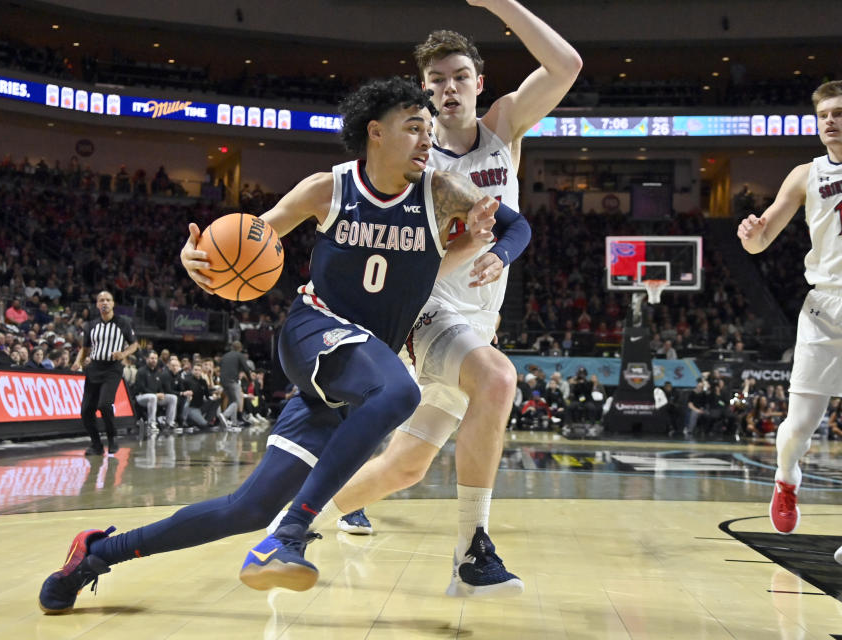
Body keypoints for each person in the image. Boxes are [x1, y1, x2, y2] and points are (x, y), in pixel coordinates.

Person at [38, 76, 505, 612]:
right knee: (400, 393)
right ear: (376, 133)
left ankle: (96, 553)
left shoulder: (438, 193)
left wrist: (486, 234)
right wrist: (197, 260)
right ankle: (293, 535)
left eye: (429, 128)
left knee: (247, 508)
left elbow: (511, 228)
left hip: (356, 368)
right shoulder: (329, 187)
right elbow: (252, 236)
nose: (428, 138)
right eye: (414, 126)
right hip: (314, 330)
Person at [326, 0, 578, 597]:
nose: (449, 87)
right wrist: (469, 250)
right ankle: (472, 556)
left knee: (406, 467)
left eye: (461, 76)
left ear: (479, 84)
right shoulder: (413, 157)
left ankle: (304, 510)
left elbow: (565, 65)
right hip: (424, 312)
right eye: (436, 80)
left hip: (476, 321)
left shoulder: (504, 127)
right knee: (496, 379)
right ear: (424, 92)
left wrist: (501, 5)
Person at [736, 80, 842, 562]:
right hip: (823, 311)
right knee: (798, 428)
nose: (831, 122)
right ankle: (786, 478)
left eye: (838, 113)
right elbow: (761, 242)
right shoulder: (806, 174)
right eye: (824, 115)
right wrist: (752, 235)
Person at [72, 291, 138, 456]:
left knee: (104, 405)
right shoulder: (91, 325)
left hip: (112, 369)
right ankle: (96, 445)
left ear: (113, 303)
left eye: (108, 300)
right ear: (97, 304)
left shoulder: (123, 323)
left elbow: (134, 345)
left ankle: (112, 438)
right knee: (86, 411)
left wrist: (123, 354)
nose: (105, 303)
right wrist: (78, 361)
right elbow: (85, 349)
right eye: (101, 300)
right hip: (94, 367)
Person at [219, 341, 251, 427]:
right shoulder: (239, 355)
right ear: (240, 348)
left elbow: (221, 366)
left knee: (232, 400)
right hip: (232, 381)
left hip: (223, 381)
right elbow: (246, 368)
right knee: (236, 401)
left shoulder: (225, 355)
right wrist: (250, 380)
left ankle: (234, 422)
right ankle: (225, 415)